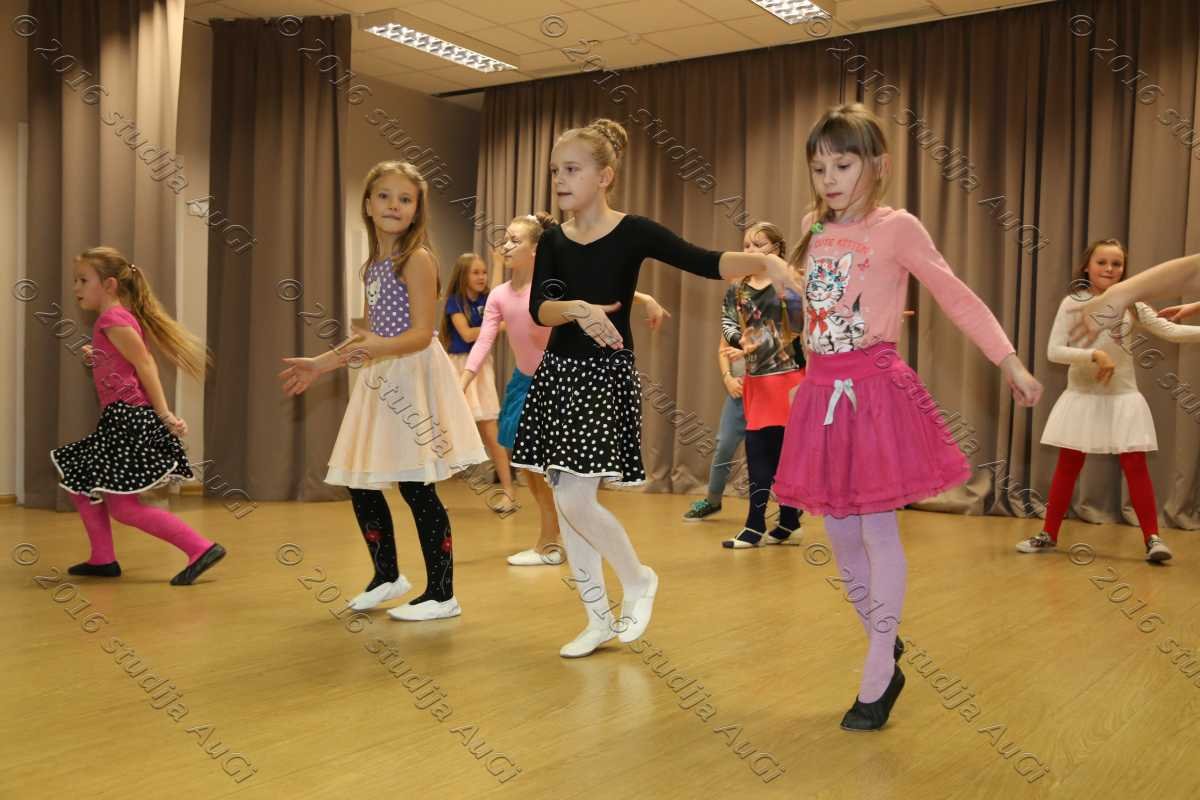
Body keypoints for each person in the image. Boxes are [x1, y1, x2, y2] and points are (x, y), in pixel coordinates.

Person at [771, 104, 1042, 731]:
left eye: (843, 165)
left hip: (874, 394)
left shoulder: (898, 228)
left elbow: (956, 296)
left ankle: (876, 675)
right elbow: (819, 307)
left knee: (877, 530)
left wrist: (1009, 360)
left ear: (879, 165)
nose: (830, 179)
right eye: (819, 167)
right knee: (839, 536)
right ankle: (884, 641)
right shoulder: (813, 226)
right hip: (822, 392)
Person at [510, 118, 800, 658]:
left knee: (573, 497)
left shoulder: (634, 231)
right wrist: (578, 308)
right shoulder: (552, 240)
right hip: (559, 376)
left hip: (602, 376)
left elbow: (703, 260)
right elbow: (540, 308)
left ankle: (638, 578)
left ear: (604, 176)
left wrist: (763, 260)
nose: (560, 179)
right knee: (569, 504)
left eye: (571, 169)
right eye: (554, 171)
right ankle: (598, 618)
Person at [280, 161, 487, 621]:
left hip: (411, 375)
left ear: (417, 210)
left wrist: (377, 348)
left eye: (405, 199)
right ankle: (387, 575)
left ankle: (442, 594)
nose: (395, 205)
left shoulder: (418, 259)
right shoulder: (373, 266)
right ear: (368, 205)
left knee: (416, 485)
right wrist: (321, 364)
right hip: (382, 374)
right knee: (360, 479)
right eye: (385, 196)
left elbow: (421, 334)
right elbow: (366, 337)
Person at [51, 246, 225, 586]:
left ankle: (201, 548)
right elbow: (125, 363)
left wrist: (165, 415)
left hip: (128, 419)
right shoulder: (115, 320)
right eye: (76, 281)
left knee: (124, 508)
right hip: (120, 417)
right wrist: (97, 355)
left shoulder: (112, 319)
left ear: (110, 285)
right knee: (80, 479)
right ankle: (103, 558)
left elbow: (145, 364)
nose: (76, 288)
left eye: (83, 280)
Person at [1018, 239, 1200, 561]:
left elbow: (1170, 331)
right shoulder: (1073, 303)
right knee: (1068, 465)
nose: (1109, 269)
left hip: (1122, 396)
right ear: (1087, 266)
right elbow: (1054, 351)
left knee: (1135, 465)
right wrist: (1094, 355)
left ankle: (1153, 539)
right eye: (1102, 262)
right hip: (1082, 397)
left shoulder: (1132, 303)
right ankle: (1048, 534)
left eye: (1116, 264)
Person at [719, 222, 806, 549]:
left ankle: (774, 524)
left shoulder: (788, 282)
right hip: (756, 380)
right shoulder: (738, 287)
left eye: (758, 245)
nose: (751, 251)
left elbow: (796, 326)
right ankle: (777, 524)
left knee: (782, 453)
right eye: (747, 245)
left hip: (788, 377)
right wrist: (739, 341)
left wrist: (755, 340)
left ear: (776, 249)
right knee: (758, 452)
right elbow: (728, 321)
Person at [442, 251, 517, 513]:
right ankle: (434, 497)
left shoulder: (487, 299)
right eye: (475, 272)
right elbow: (467, 334)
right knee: (446, 432)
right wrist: (500, 325)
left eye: (484, 272)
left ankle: (508, 492)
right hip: (458, 367)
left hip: (481, 368)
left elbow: (496, 294)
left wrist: (497, 263)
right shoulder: (454, 302)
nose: (481, 276)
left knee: (491, 432)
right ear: (463, 275)